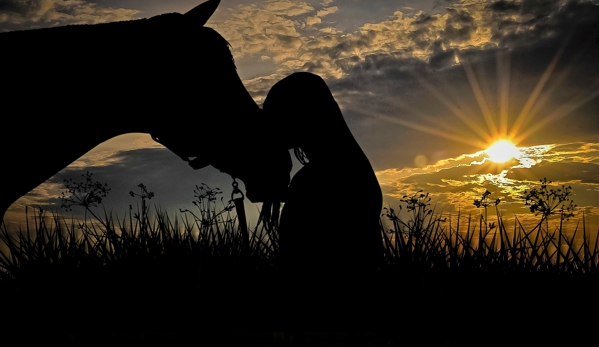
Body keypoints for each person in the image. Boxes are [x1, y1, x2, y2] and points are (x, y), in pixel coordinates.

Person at [263, 72, 384, 282]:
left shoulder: (312, 181)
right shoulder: (353, 168)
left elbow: (295, 265)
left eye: (277, 116)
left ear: (300, 115)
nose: (270, 128)